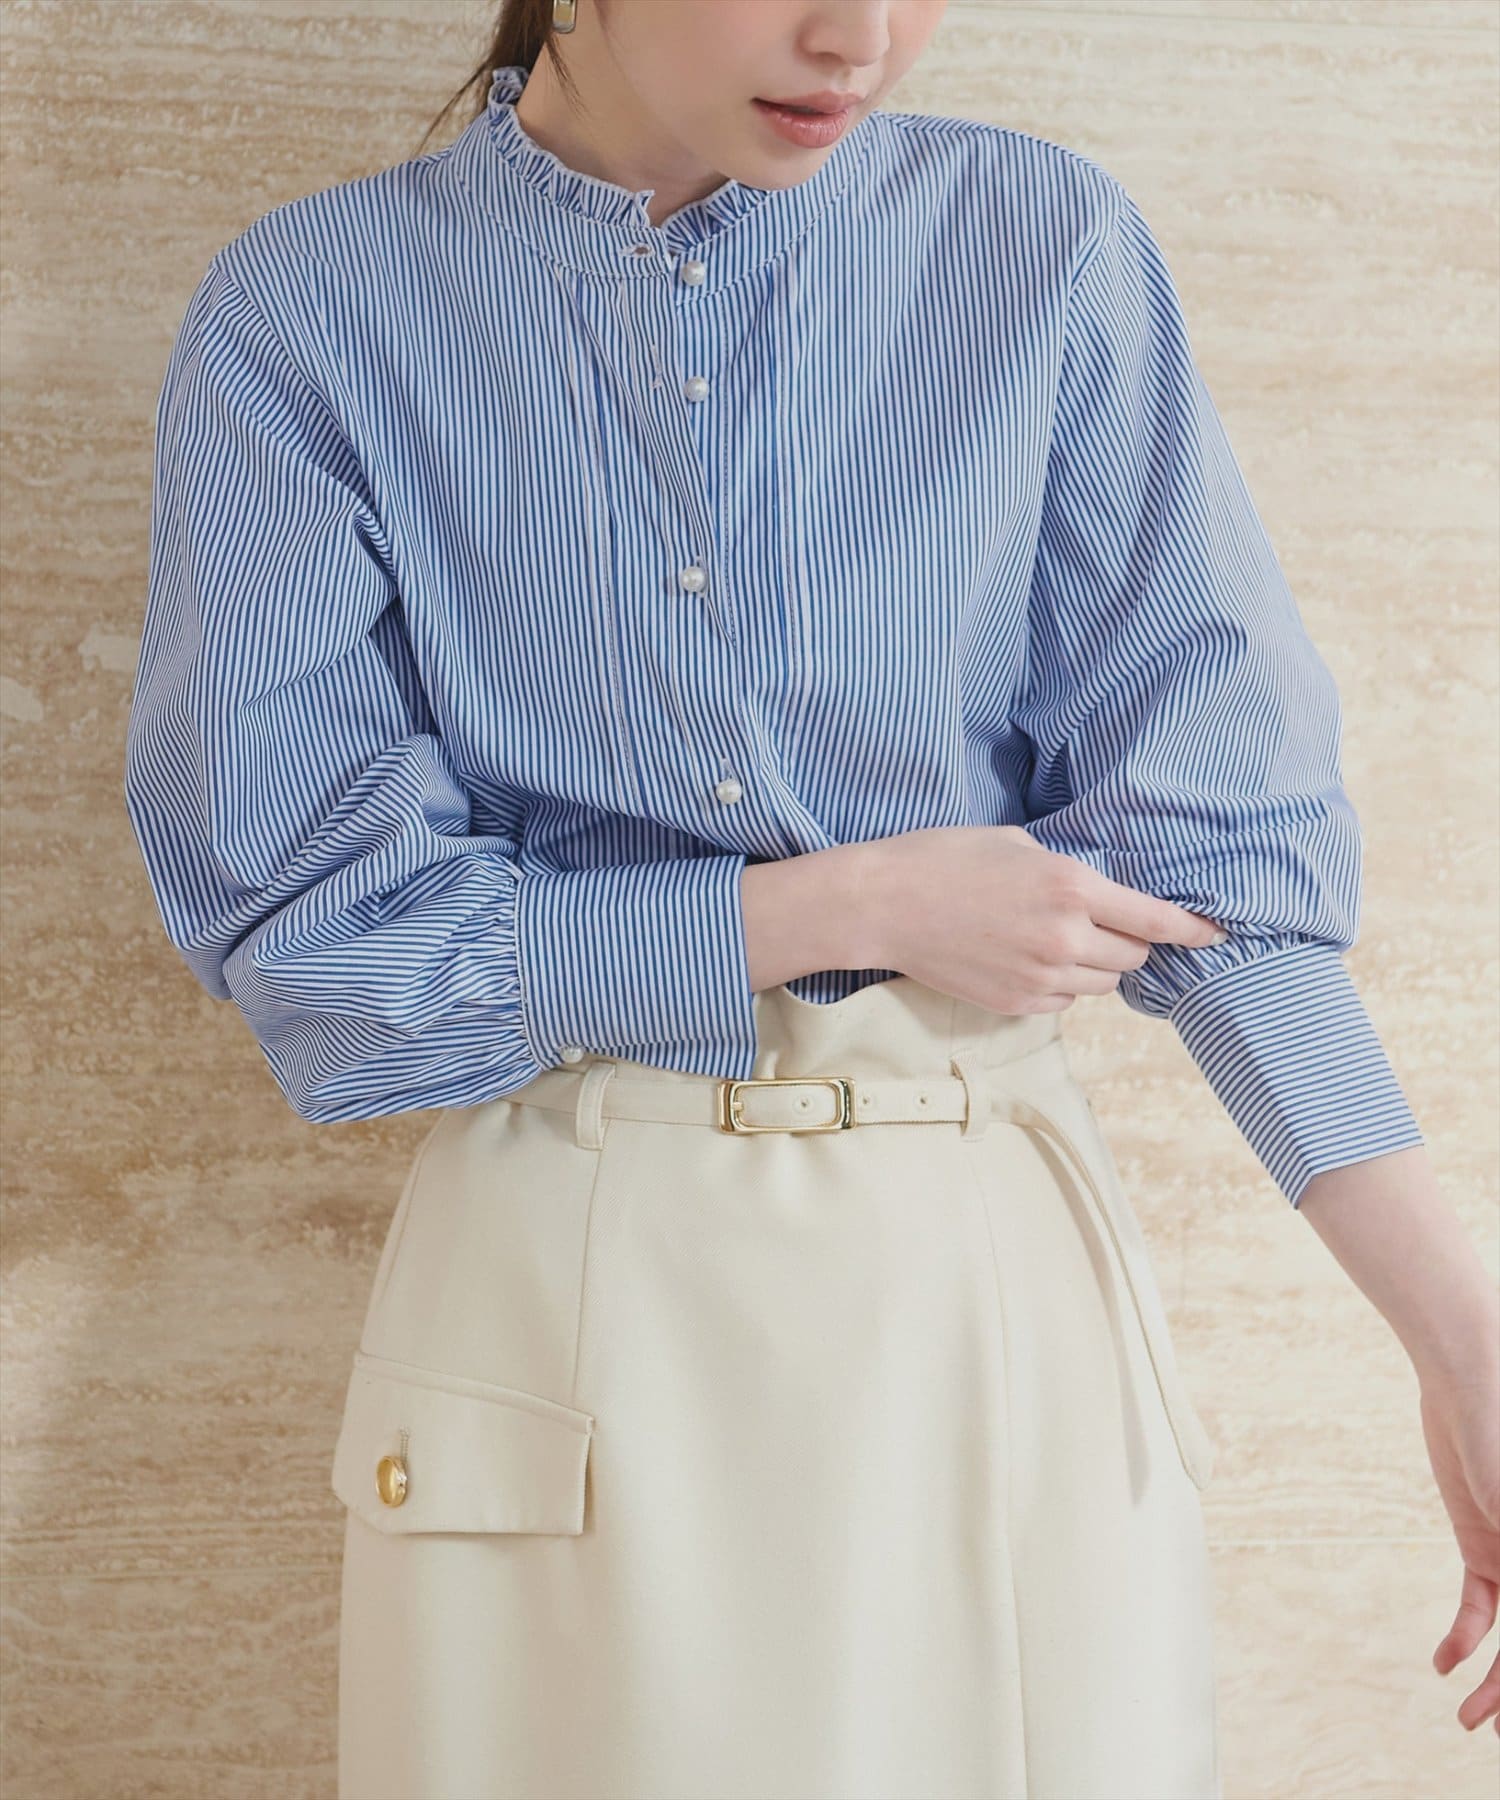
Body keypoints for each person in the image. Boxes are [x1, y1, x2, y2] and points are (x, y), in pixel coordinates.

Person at [123, 0, 1500, 1793]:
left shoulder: (1039, 248)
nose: (859, 36)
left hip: (983, 1295)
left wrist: (1464, 1344)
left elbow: (1224, 865)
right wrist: (840, 907)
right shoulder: (314, 313)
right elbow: (327, 963)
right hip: (570, 1305)